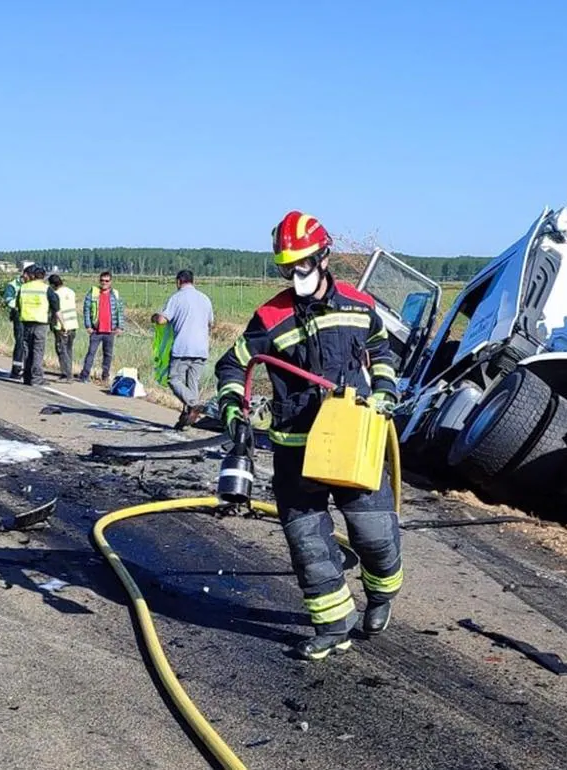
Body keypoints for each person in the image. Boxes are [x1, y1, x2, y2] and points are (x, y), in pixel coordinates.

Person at [214, 210, 403, 661]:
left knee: (374, 533)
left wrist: (385, 389)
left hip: (353, 441)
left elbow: (381, 350)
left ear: (322, 257)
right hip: (295, 449)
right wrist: (233, 409)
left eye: (301, 264)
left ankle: (380, 596)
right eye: (286, 267)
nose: (294, 274)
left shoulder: (359, 306)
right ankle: (333, 625)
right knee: (309, 544)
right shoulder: (270, 317)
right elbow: (232, 364)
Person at [152, 269, 214, 430]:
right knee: (192, 383)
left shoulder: (177, 298)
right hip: (201, 349)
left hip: (183, 348)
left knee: (174, 379)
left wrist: (155, 316)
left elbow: (162, 320)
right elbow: (210, 323)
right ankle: (187, 422)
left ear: (179, 281)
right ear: (193, 281)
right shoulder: (205, 299)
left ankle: (193, 405)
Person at [17, 265, 59, 387]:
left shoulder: (23, 288)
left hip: (25, 323)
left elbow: (18, 305)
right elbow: (55, 306)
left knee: (27, 351)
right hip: (40, 323)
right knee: (38, 351)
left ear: (33, 276)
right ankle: (36, 378)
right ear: (44, 276)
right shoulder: (46, 289)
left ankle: (27, 377)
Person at [78, 271, 123, 383]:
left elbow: (120, 311)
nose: (104, 283)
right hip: (96, 330)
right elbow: (86, 310)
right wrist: (88, 325)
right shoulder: (93, 293)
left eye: (107, 281)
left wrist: (120, 327)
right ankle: (85, 375)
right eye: (102, 280)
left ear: (111, 282)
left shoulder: (115, 295)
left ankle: (105, 376)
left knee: (108, 355)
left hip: (110, 330)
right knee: (91, 353)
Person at [3, 261, 35, 378]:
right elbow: (8, 299)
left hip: (31, 316)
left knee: (31, 344)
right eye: (30, 276)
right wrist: (19, 306)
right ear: (25, 274)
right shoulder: (13, 285)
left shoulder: (32, 285)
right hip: (19, 316)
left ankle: (28, 369)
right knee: (20, 342)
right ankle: (16, 369)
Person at [48, 273, 78, 380]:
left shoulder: (55, 294)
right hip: (73, 324)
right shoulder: (71, 292)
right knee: (69, 350)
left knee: (61, 350)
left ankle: (67, 374)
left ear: (52, 284)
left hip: (61, 326)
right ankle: (67, 372)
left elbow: (56, 311)